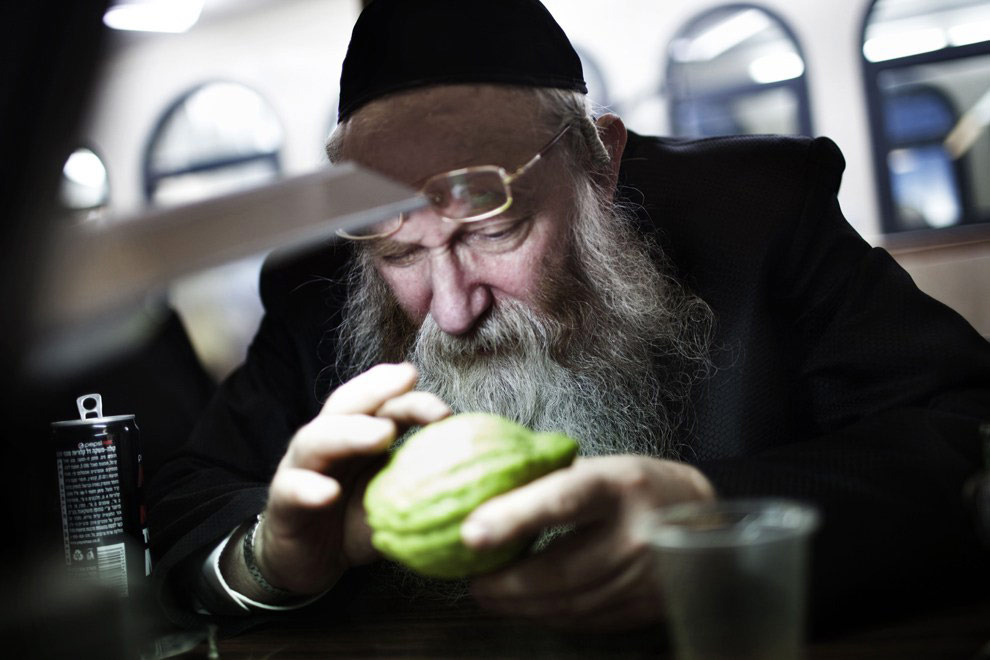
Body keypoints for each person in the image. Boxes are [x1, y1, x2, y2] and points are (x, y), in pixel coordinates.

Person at [148, 0, 990, 637]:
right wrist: (273, 555)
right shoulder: (312, 289)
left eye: (497, 228)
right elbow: (187, 501)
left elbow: (965, 434)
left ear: (601, 162)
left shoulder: (761, 214)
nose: (451, 308)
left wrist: (709, 522)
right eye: (400, 254)